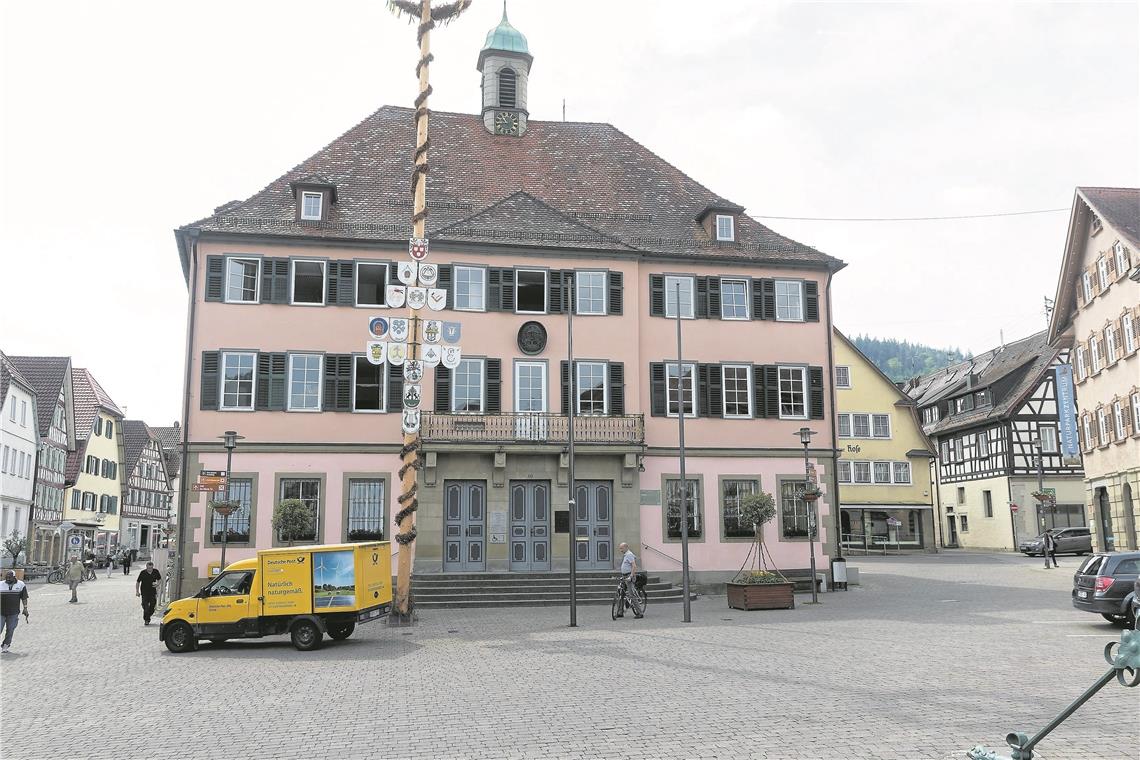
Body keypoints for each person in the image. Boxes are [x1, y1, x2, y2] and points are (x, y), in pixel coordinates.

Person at [1, 570, 29, 654]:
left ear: (14, 577)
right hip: (1, 612)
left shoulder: (21, 585)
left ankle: (6, 645)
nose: (8, 579)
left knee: (10, 629)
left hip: (13, 612)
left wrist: (25, 608)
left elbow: (24, 598)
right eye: (7, 577)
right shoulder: (1, 584)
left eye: (10, 577)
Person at [616, 542, 643, 619]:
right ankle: (620, 612)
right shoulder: (625, 555)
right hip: (624, 576)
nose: (620, 550)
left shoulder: (629, 555)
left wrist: (631, 576)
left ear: (626, 547)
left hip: (629, 576)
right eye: (620, 548)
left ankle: (640, 613)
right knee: (621, 593)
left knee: (631, 595)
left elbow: (634, 566)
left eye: (621, 548)